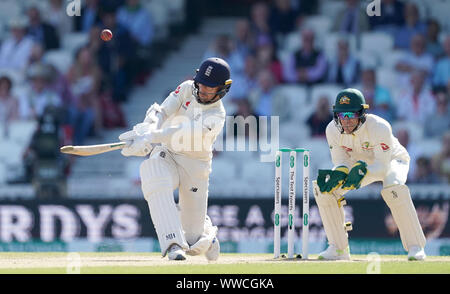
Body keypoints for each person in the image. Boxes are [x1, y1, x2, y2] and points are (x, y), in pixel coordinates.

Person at [117, 57, 232, 260]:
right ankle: (172, 244)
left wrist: (151, 136)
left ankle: (207, 236)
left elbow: (182, 131)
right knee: (152, 172)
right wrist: (148, 127)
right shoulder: (187, 88)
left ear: (222, 90)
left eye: (210, 87)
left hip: (195, 166)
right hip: (168, 153)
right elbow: (162, 111)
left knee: (193, 241)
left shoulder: (217, 115)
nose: (203, 90)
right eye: (201, 84)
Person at [313, 88, 426, 261]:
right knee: (324, 190)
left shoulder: (379, 127)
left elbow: (382, 167)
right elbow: (342, 162)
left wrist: (359, 174)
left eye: (351, 115)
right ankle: (338, 249)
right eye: (342, 116)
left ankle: (415, 247)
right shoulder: (332, 130)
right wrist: (339, 174)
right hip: (358, 165)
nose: (347, 121)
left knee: (393, 187)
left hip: (392, 160)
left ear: (362, 113)